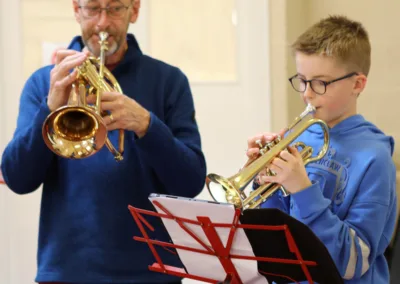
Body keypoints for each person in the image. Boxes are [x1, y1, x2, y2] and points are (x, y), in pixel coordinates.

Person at [1, 0, 207, 283]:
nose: (102, 23)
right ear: (76, 10)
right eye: (93, 8)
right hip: (67, 271)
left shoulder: (168, 81)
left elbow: (191, 182)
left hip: (153, 273)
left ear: (134, 10)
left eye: (114, 9)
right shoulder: (44, 82)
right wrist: (48, 109)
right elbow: (17, 179)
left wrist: (147, 125)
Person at [246, 15, 396, 283]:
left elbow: (353, 262)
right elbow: (277, 232)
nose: (307, 94)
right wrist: (263, 179)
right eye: (302, 80)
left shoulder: (375, 158)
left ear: (357, 84)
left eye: (320, 83)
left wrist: (303, 189)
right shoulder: (297, 137)